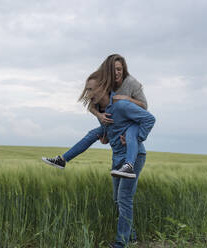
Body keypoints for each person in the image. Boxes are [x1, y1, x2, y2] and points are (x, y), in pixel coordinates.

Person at [42, 54, 148, 178]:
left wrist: (127, 99)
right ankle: (62, 160)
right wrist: (100, 116)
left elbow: (144, 107)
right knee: (92, 134)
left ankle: (129, 165)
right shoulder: (104, 82)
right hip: (114, 125)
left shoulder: (130, 83)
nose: (116, 73)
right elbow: (92, 104)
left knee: (124, 196)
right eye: (112, 70)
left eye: (119, 69)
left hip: (128, 123)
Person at [81, 73, 155, 247]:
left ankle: (121, 243)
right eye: (87, 89)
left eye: (91, 89)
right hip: (117, 157)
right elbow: (108, 132)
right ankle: (132, 237)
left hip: (134, 156)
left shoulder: (121, 105)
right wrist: (105, 135)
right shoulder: (104, 111)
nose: (88, 93)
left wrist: (138, 138)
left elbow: (148, 118)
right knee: (117, 199)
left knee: (124, 198)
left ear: (103, 88)